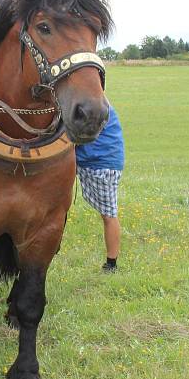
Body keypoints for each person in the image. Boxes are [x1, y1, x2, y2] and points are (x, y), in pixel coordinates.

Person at [75, 102, 125, 273]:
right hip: (94, 161)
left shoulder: (96, 108)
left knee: (109, 215)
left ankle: (111, 264)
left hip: (101, 164)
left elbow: (77, 133)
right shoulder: (97, 104)